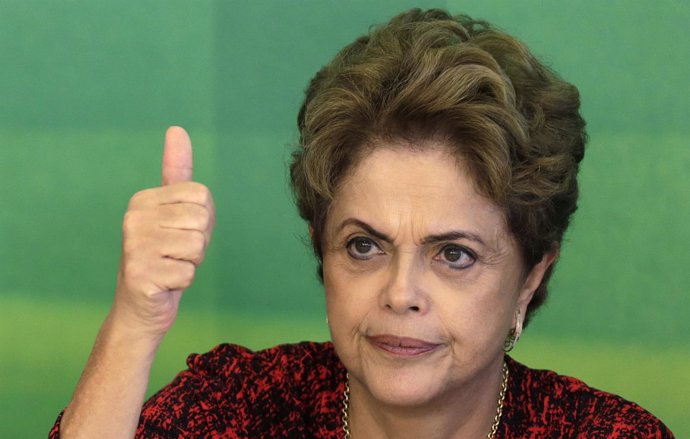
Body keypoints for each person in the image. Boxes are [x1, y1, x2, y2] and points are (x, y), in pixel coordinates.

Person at [50, 8, 674, 439]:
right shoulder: (242, 407)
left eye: (454, 254)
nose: (400, 293)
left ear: (531, 276)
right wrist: (136, 322)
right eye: (365, 245)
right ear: (324, 253)